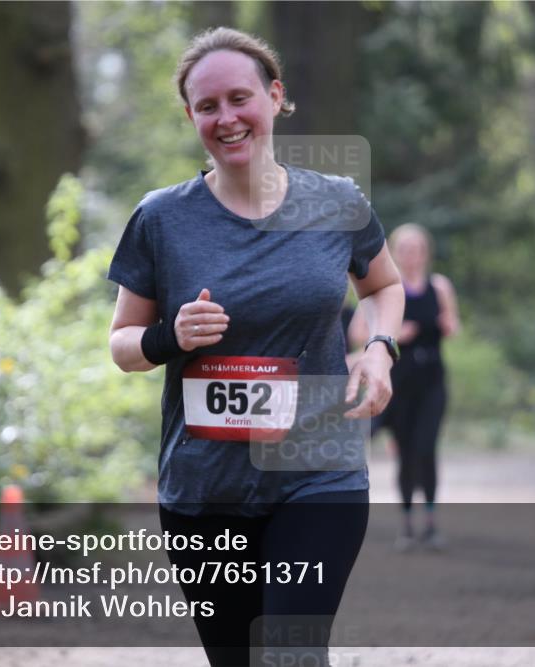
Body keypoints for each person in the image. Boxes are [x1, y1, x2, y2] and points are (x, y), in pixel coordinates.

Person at [107, 27, 404, 667]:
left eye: (239, 98)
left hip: (318, 472)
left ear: (274, 96)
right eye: (207, 106)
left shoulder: (337, 203)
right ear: (190, 116)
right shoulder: (161, 218)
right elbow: (122, 344)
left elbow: (384, 286)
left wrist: (378, 348)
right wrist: (170, 335)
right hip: (204, 488)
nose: (226, 118)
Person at [350, 223, 460, 551]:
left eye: (417, 250)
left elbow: (454, 325)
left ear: (426, 254)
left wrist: (446, 325)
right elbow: (357, 333)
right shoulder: (384, 288)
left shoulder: (439, 286)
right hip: (397, 383)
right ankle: (408, 523)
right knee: (406, 453)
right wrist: (393, 336)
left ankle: (430, 521)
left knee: (426, 449)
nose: (411, 256)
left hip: (432, 383)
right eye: (405, 250)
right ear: (395, 253)